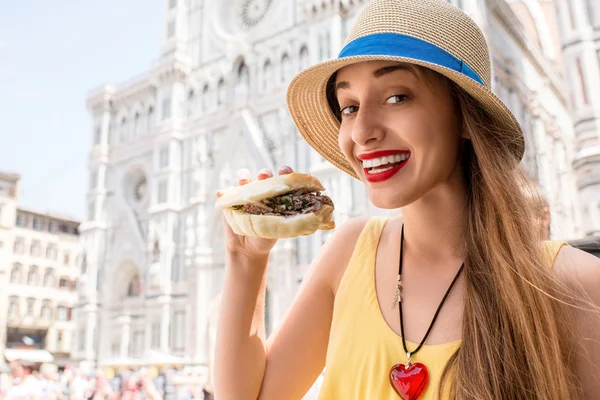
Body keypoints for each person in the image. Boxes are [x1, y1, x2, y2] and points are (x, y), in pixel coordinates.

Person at [213, 0, 600, 399]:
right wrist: (246, 258)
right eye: (348, 107)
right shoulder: (349, 252)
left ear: (465, 115)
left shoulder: (576, 287)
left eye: (397, 97)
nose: (361, 132)